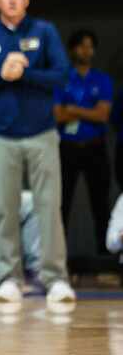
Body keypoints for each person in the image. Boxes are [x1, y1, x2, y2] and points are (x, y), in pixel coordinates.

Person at [0, 0, 75, 309]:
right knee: (6, 209)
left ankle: (55, 277)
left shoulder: (44, 32)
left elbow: (61, 74)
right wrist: (1, 74)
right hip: (1, 135)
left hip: (42, 132)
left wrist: (25, 71)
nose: (12, 0)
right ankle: (9, 277)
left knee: (48, 207)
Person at [53, 29, 113, 254]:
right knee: (62, 203)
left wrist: (74, 109)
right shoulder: (62, 78)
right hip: (67, 146)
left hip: (94, 146)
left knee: (101, 204)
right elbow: (57, 115)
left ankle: (106, 255)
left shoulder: (101, 79)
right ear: (72, 50)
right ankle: (58, 257)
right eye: (81, 45)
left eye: (90, 46)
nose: (86, 50)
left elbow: (103, 115)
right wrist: (89, 111)